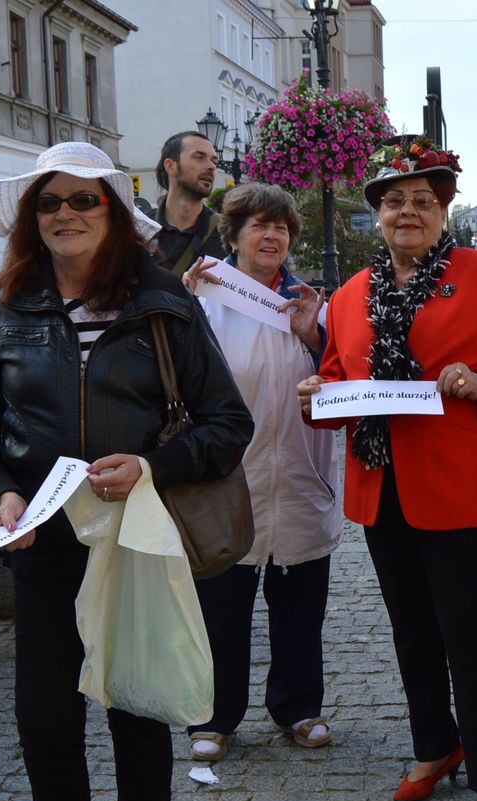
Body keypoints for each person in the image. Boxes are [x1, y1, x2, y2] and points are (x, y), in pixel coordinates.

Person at [0, 142, 253, 801]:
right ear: (33, 218)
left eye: (83, 199)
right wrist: (1, 492)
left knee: (134, 707)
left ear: (113, 212)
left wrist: (151, 465)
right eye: (50, 202)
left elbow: (229, 424)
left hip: (134, 539)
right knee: (44, 717)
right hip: (44, 546)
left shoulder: (160, 302)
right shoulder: (8, 310)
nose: (66, 214)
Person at [297, 139, 477, 801]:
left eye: (422, 201)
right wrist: (315, 393)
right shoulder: (349, 295)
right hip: (380, 487)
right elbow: (337, 379)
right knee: (410, 630)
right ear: (377, 214)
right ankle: (436, 745)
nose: (407, 211)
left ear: (443, 213)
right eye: (394, 201)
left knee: (465, 635)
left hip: (455, 485)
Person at [180, 183, 341, 761]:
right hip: (230, 480)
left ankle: (297, 706)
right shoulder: (205, 299)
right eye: (258, 226)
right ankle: (213, 717)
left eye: (281, 228)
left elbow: (342, 378)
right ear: (234, 235)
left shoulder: (309, 304)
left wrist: (313, 336)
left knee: (300, 606)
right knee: (221, 608)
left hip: (300, 475)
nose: (271, 237)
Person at [152, 131, 226, 274]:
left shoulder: (227, 233)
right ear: (170, 166)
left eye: (214, 162)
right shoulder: (140, 229)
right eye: (199, 157)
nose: (211, 167)